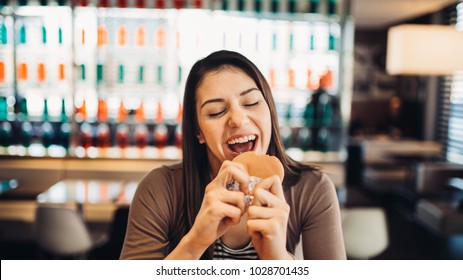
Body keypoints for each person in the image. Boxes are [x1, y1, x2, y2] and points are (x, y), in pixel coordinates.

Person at [120, 50, 346, 260]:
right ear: (198, 131)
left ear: (270, 111)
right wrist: (195, 242)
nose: (237, 119)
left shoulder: (313, 189)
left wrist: (278, 258)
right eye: (217, 111)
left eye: (251, 102)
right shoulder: (160, 188)